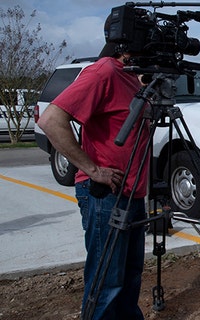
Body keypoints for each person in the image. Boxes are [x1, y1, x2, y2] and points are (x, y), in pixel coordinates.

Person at [38, 27, 150, 318]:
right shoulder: (104, 72)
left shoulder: (130, 78)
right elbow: (51, 120)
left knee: (129, 279)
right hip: (105, 196)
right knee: (107, 284)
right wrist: (91, 169)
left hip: (132, 193)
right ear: (128, 47)